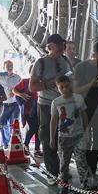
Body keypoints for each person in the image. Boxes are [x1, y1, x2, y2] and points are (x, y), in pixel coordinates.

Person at [29, 34, 73, 177]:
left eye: (62, 45)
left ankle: (63, 169)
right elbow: (32, 87)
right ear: (50, 47)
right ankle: (52, 172)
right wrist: (51, 82)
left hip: (64, 104)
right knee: (48, 138)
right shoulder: (41, 63)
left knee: (64, 138)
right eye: (58, 46)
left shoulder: (66, 61)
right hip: (47, 105)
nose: (61, 48)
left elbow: (71, 77)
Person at [73, 41, 98, 182]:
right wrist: (91, 85)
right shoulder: (81, 67)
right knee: (85, 141)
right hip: (84, 109)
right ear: (94, 53)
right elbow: (75, 90)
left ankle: (92, 170)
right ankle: (85, 172)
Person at [50, 75, 90, 192]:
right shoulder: (56, 102)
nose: (65, 89)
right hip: (64, 137)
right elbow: (54, 120)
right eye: (61, 87)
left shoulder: (78, 98)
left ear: (70, 85)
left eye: (67, 86)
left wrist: (86, 132)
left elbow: (84, 115)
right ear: (57, 88)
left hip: (78, 135)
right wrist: (52, 138)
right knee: (64, 162)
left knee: (81, 161)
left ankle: (85, 184)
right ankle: (64, 184)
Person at [13, 74, 40, 156]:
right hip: (28, 109)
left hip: (39, 108)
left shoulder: (42, 82)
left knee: (38, 128)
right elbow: (14, 90)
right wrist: (21, 94)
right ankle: (26, 145)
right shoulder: (25, 81)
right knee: (34, 128)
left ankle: (37, 149)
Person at [0, 60, 22, 146]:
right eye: (7, 66)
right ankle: (5, 143)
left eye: (11, 65)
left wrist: (15, 92)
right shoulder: (0, 76)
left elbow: (21, 88)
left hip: (15, 104)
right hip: (3, 104)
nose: (10, 67)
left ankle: (14, 142)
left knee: (14, 124)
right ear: (3, 67)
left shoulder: (17, 77)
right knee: (1, 123)